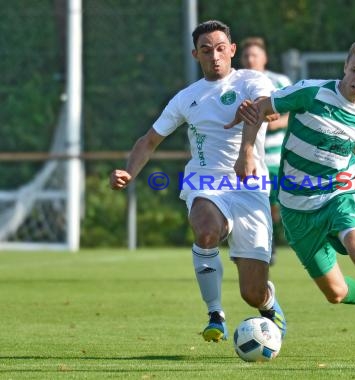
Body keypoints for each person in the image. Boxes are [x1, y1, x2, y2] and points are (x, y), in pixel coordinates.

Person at [227, 39, 355, 358]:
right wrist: (247, 152)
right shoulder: (312, 92)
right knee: (336, 293)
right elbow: (260, 108)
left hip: (338, 193)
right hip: (296, 208)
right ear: (344, 68)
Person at [109, 20, 286, 343]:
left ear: (232, 50)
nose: (214, 56)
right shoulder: (186, 98)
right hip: (206, 183)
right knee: (205, 230)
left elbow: (267, 110)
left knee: (252, 292)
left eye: (220, 49)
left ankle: (268, 302)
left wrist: (248, 147)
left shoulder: (251, 80)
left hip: (250, 187)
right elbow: (149, 141)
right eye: (206, 50)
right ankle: (215, 313)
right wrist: (129, 171)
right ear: (196, 54)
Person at [240, 37, 292, 265]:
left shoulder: (279, 81)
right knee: (250, 203)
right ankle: (256, 247)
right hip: (246, 155)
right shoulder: (236, 82)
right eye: (247, 56)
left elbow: (296, 112)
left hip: (274, 156)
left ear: (264, 58)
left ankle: (269, 243)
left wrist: (277, 123)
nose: (251, 59)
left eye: (255, 55)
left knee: (273, 205)